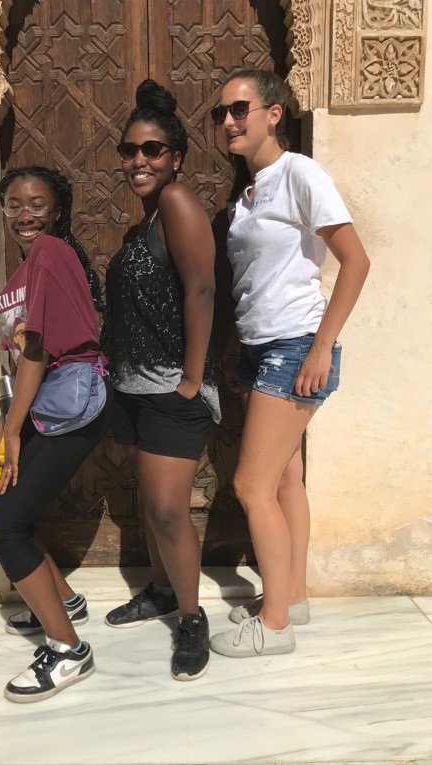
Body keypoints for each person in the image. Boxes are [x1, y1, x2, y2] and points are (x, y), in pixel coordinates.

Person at [208, 70, 370, 658]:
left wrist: (323, 346)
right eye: (222, 113)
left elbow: (355, 260)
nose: (229, 121)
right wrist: (237, 350)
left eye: (240, 109)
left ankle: (274, 625)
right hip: (259, 349)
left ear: (274, 113)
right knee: (283, 479)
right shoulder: (248, 196)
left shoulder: (301, 173)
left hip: (295, 345)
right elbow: (255, 284)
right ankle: (292, 595)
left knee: (250, 485)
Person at [103, 80, 221, 681]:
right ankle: (159, 589)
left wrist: (193, 379)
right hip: (136, 387)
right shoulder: (141, 226)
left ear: (176, 156)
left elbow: (201, 290)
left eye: (152, 149)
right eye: (129, 150)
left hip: (174, 387)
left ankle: (193, 618)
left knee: (170, 511)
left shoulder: (177, 201)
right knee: (152, 505)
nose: (138, 160)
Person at [0, 166, 113, 702]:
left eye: (37, 204)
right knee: (11, 507)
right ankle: (66, 605)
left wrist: (13, 431)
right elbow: (18, 363)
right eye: (13, 205)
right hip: (43, 403)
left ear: (57, 210)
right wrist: (2, 432)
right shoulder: (27, 267)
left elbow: (37, 349)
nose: (25, 214)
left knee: (5, 525)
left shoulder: (50, 252)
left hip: (69, 402)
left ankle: (68, 650)